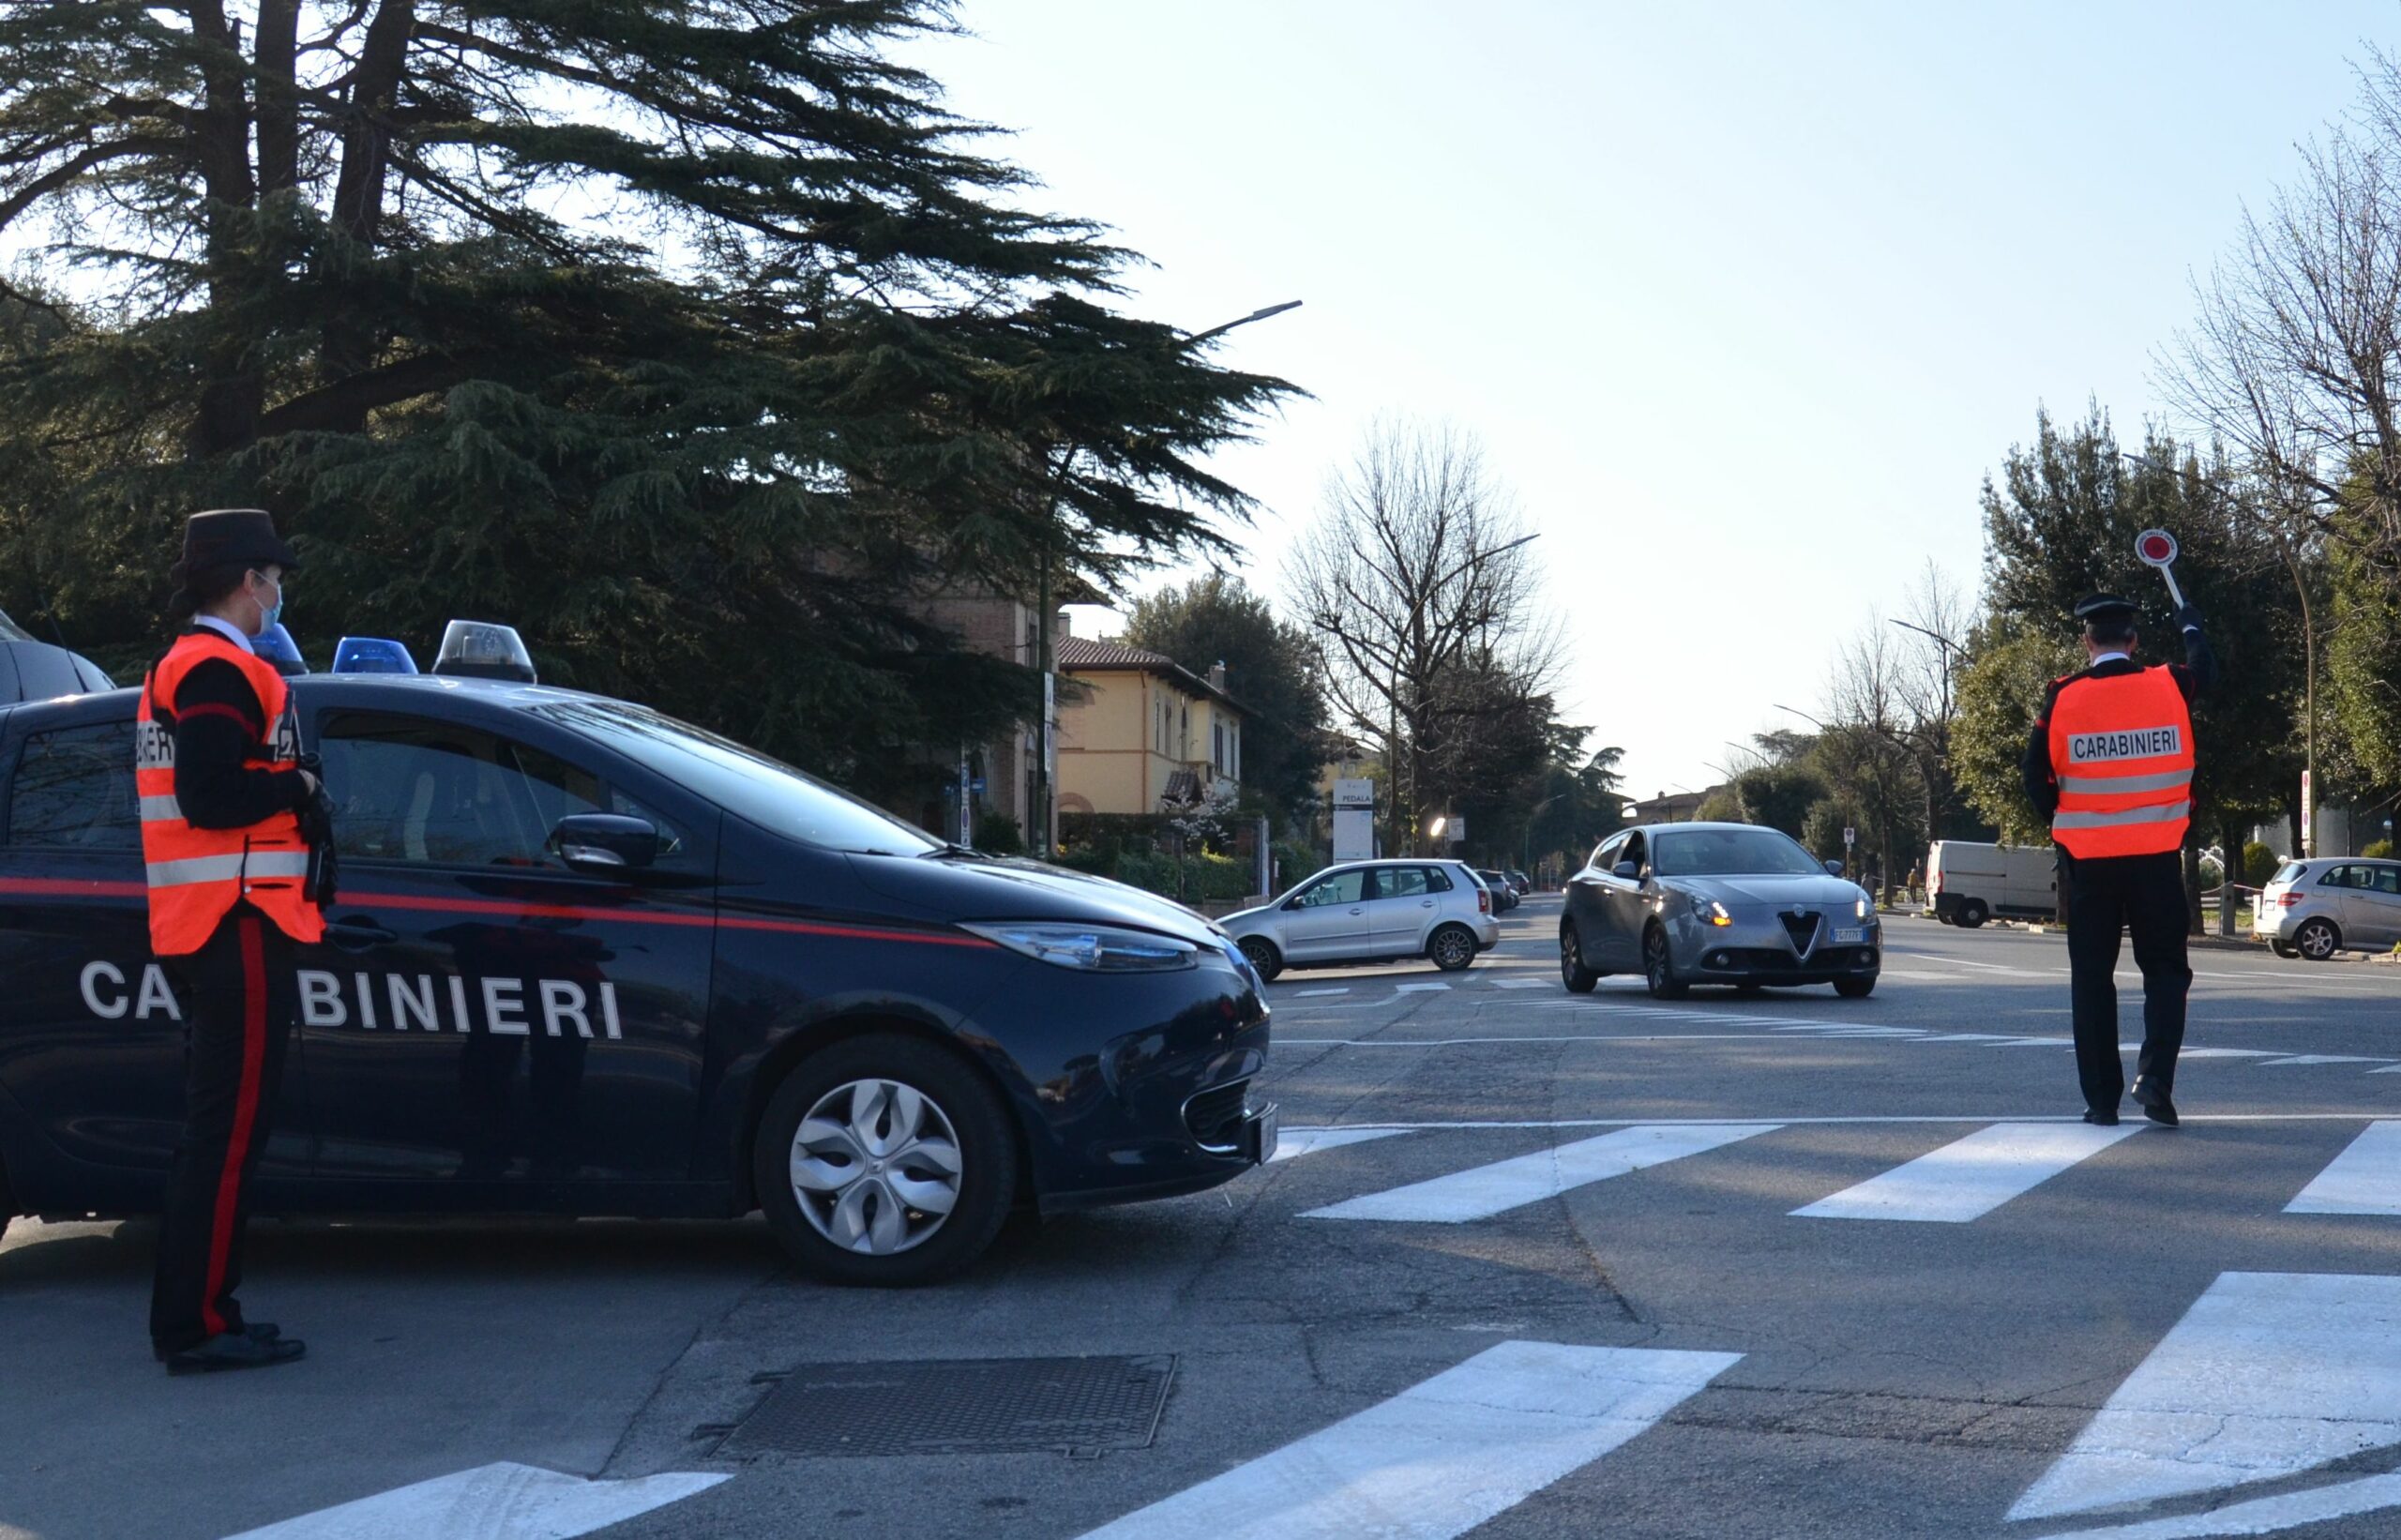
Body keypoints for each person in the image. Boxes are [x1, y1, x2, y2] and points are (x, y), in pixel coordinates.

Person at [137, 508, 333, 1374]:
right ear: (250, 581)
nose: (279, 592)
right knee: (226, 1133)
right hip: (235, 921)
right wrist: (296, 784)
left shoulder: (191, 664)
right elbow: (209, 795)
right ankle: (199, 1326)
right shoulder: (216, 667)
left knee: (218, 1129)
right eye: (274, 577)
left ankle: (198, 1313)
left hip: (217, 921)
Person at [2020, 593, 2215, 1128]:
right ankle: (2155, 1080)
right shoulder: (2168, 683)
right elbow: (2206, 668)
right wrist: (2191, 623)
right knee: (2166, 973)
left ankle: (2101, 1101)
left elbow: (2034, 776)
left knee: (2092, 979)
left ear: (2088, 642)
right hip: (2156, 858)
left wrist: (2065, 827)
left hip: (2090, 865)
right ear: (2133, 641)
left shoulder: (2062, 697)